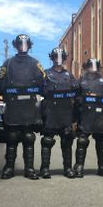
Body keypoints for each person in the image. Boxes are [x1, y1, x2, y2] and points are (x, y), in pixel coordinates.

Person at [0, 34, 45, 180]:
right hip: (13, 106)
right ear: (16, 45)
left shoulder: (36, 63)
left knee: (28, 138)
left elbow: (43, 84)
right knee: (11, 138)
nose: (22, 46)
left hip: (29, 107)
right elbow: (1, 84)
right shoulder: (8, 63)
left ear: (29, 45)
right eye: (20, 44)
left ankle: (29, 169)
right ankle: (9, 168)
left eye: (25, 44)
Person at [40, 47, 78, 179]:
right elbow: (41, 91)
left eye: (61, 57)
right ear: (52, 58)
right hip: (50, 112)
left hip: (66, 112)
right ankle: (45, 168)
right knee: (47, 141)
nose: (59, 60)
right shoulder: (45, 74)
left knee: (67, 142)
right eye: (56, 57)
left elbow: (76, 92)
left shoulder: (69, 75)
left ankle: (67, 168)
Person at [73, 58, 103, 178]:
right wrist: (85, 99)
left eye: (95, 67)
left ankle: (102, 167)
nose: (93, 69)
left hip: (100, 117)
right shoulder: (81, 80)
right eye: (90, 66)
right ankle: (79, 166)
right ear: (87, 67)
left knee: (102, 142)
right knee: (82, 141)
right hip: (85, 116)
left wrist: (98, 97)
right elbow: (75, 98)